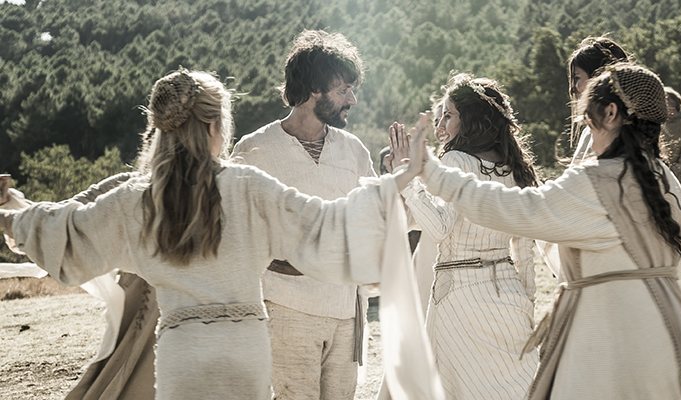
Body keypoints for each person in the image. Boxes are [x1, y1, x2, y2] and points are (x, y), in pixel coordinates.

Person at [0, 69, 425, 400]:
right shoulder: (248, 186)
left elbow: (68, 235)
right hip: (245, 350)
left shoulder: (139, 200)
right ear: (216, 126)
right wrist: (395, 183)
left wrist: (11, 213)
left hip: (183, 352)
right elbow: (329, 222)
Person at [415, 63, 681, 399]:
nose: (589, 134)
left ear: (612, 113)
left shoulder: (593, 181)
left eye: (589, 122)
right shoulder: (662, 177)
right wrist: (645, 276)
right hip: (670, 331)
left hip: (607, 333)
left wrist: (431, 172)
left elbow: (513, 209)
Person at [230, 30, 374, 400]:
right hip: (286, 309)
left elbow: (374, 217)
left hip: (347, 311)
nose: (352, 99)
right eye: (343, 90)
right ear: (314, 90)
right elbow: (237, 230)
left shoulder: (354, 150)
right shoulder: (255, 149)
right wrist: (285, 264)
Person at [389, 73, 539, 399]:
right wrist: (527, 297)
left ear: (471, 118)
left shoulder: (456, 160)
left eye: (449, 115)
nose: (441, 124)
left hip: (460, 296)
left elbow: (440, 228)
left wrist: (410, 176)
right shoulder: (513, 168)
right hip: (510, 293)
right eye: (440, 115)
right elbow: (524, 242)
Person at [1, 173, 158, 399]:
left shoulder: (219, 182)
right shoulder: (132, 186)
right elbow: (65, 222)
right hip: (144, 313)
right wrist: (11, 205)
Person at [565, 36, 629, 165]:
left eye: (577, 78)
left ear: (598, 80)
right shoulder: (590, 132)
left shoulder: (606, 136)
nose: (572, 88)